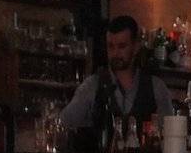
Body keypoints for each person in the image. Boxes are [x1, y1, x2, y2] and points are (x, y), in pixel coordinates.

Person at [60, 15, 174, 145]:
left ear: (136, 47)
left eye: (121, 46)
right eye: (110, 46)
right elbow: (64, 124)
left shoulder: (156, 87)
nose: (115, 53)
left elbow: (170, 136)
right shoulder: (92, 85)